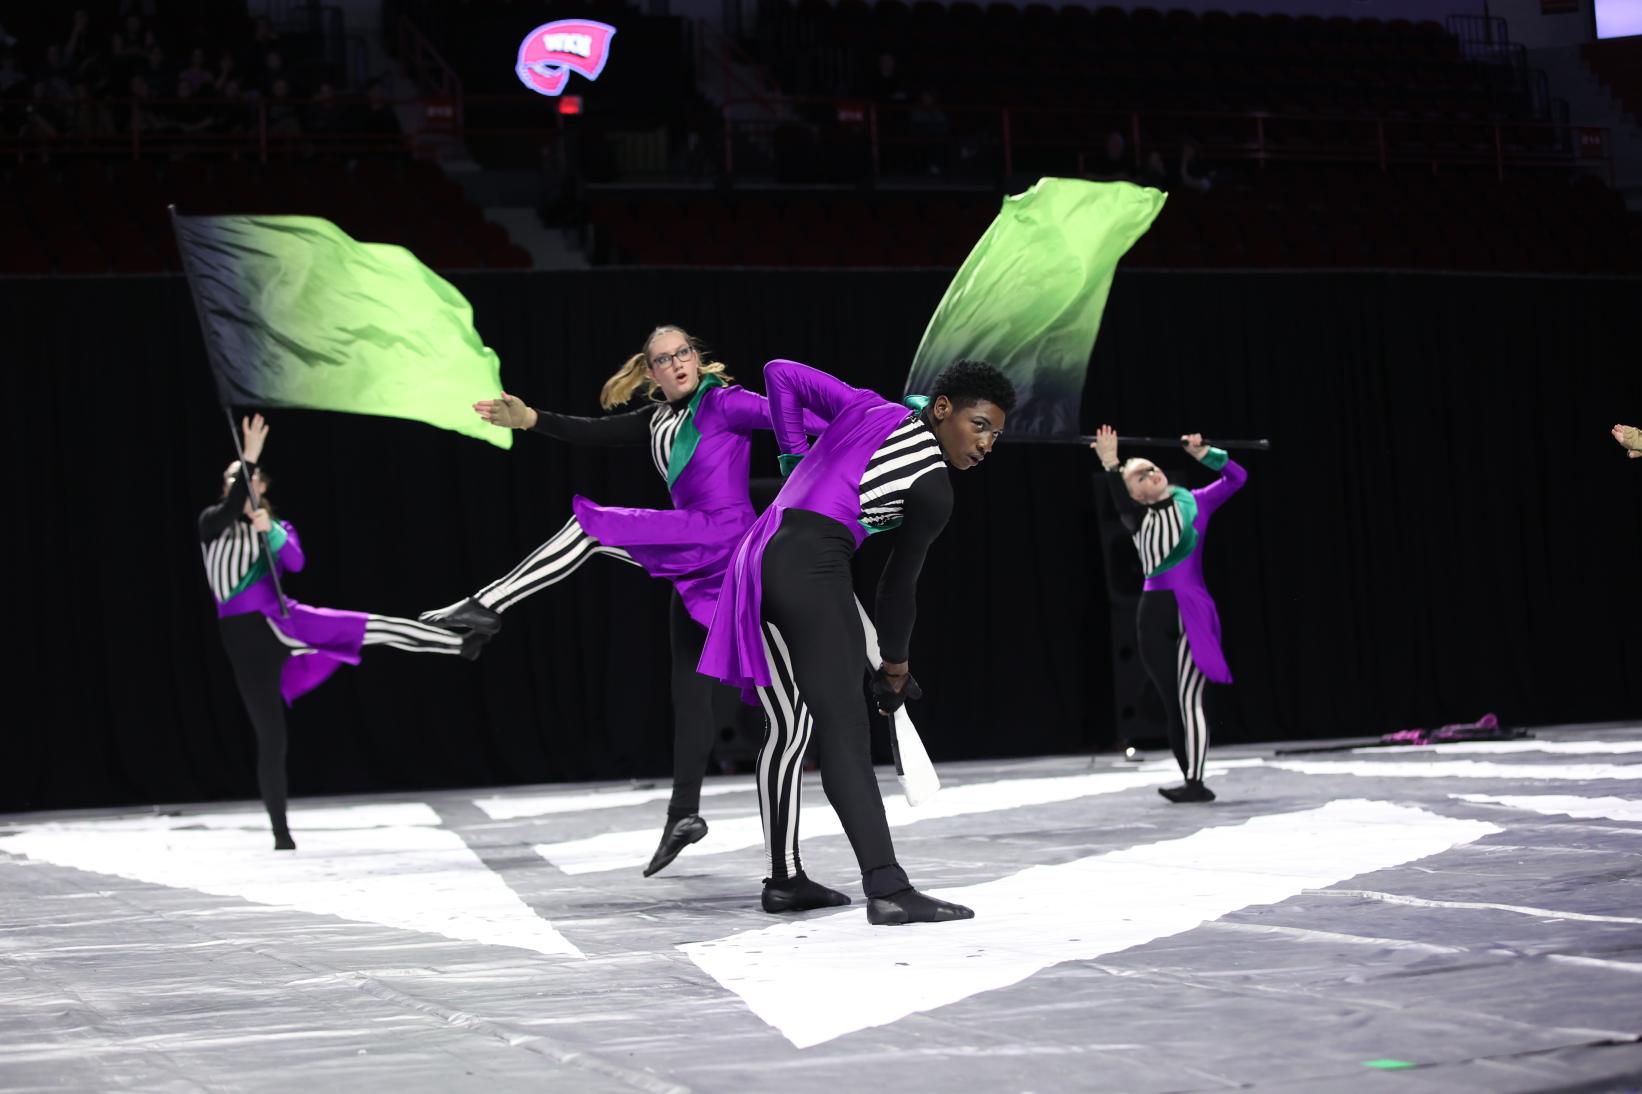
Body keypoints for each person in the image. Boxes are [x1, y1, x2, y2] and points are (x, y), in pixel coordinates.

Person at [421, 326, 825, 878]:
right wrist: (531, 419)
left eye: (683, 353)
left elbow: (797, 420)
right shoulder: (656, 419)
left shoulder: (727, 402)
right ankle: (685, 814)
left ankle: (484, 607)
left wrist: (855, 431)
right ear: (651, 372)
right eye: (664, 359)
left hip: (721, 538)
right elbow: (592, 433)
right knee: (690, 692)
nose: (677, 363)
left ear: (697, 359)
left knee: (591, 531)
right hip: (695, 558)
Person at [700, 358, 1015, 925]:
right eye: (980, 425)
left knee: (792, 725)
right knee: (844, 728)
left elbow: (780, 374)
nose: (988, 443)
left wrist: (794, 459)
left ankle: (785, 879)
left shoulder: (870, 406)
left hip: (758, 554)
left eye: (996, 433)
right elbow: (897, 586)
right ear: (943, 409)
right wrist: (893, 665)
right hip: (810, 565)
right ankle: (888, 888)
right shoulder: (935, 486)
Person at [201, 414, 481, 851]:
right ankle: (280, 832)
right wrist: (248, 459)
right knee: (271, 737)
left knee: (371, 626)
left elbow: (295, 563)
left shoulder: (276, 527)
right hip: (244, 640)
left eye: (249, 479)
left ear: (263, 488)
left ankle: (460, 642)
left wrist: (269, 530)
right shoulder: (211, 526)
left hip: (282, 619)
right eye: (234, 480)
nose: (240, 485)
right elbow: (229, 504)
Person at [1092, 426, 1245, 803]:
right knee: (1172, 701)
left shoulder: (1197, 502)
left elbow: (1237, 477)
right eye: (1139, 476)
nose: (1151, 473)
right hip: (1153, 616)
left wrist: (1205, 454)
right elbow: (1120, 505)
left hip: (1191, 608)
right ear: (1133, 492)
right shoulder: (1137, 519)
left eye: (1151, 467)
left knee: (1191, 697)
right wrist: (1111, 464)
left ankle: (1196, 783)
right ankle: (1188, 775)